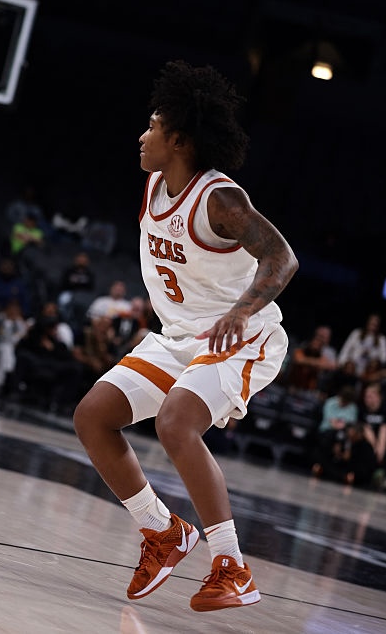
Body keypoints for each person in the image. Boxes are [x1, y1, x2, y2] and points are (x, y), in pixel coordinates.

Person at [72, 60, 299, 612]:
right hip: (180, 336)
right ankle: (162, 531)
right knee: (93, 416)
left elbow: (281, 257)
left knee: (176, 423)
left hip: (240, 335)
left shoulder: (220, 199)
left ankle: (232, 566)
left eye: (152, 126)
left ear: (178, 140)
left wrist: (241, 310)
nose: (142, 135)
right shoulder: (154, 184)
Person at [337, 313, 386, 377]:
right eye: (371, 323)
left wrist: (371, 355)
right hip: (353, 366)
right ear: (367, 323)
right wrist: (342, 363)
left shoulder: (381, 339)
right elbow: (346, 349)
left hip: (369, 369)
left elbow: (384, 358)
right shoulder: (357, 333)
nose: (373, 326)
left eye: (375, 325)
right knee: (349, 366)